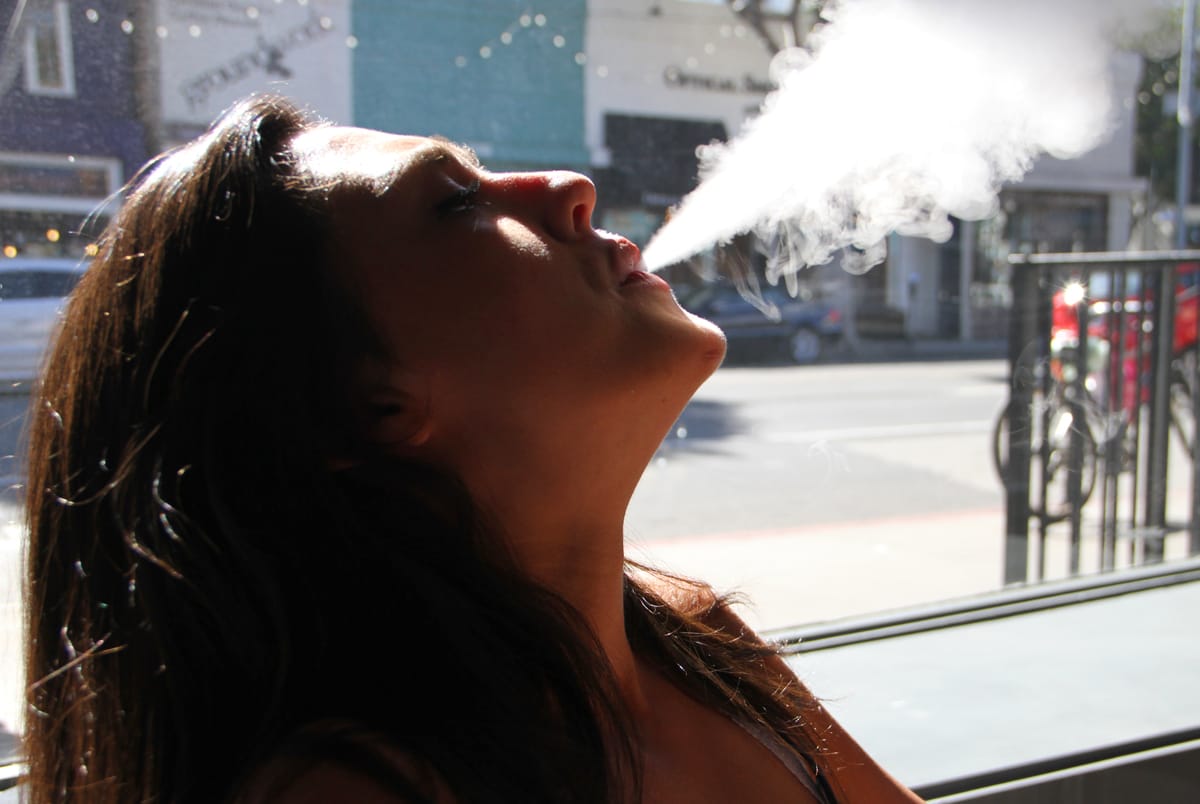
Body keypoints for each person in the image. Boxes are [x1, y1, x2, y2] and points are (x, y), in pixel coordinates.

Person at [23, 94, 921, 804]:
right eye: (456, 203)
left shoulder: (697, 638)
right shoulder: (357, 792)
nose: (570, 186)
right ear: (366, 404)